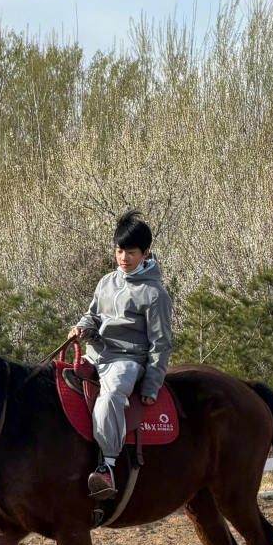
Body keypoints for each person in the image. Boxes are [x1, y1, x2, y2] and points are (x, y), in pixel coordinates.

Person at [69, 211, 173, 499]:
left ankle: (108, 466)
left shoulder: (155, 295)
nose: (123, 258)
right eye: (119, 251)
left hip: (127, 361)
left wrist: (151, 386)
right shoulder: (106, 282)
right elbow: (92, 315)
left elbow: (161, 344)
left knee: (111, 394)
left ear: (145, 253)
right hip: (96, 354)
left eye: (131, 252)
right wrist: (81, 327)